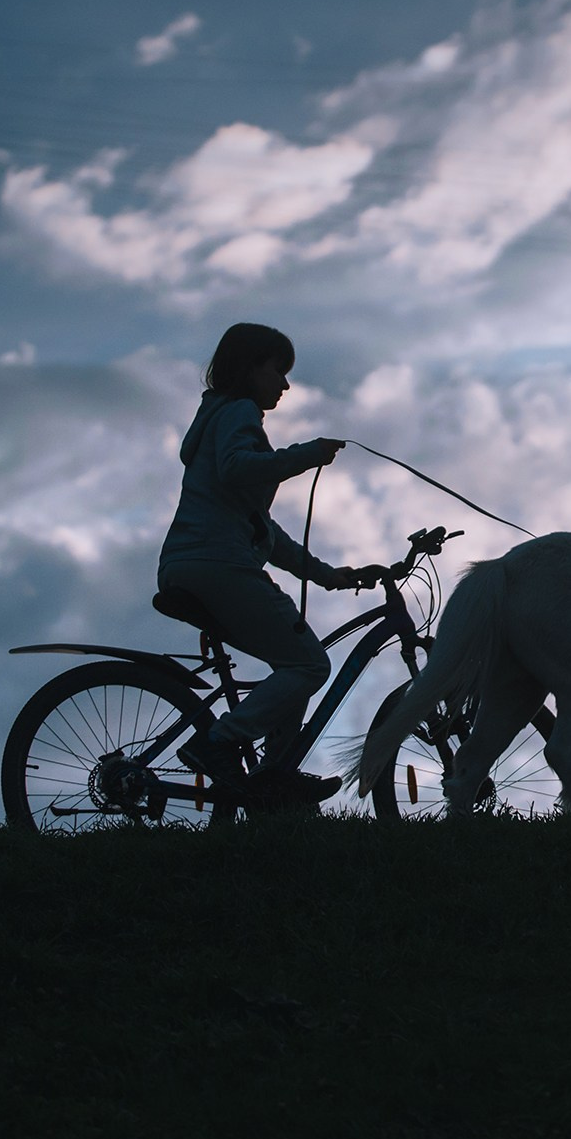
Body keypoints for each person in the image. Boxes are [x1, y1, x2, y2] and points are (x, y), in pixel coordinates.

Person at [158, 323, 385, 799]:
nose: (284, 384)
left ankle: (272, 777)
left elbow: (263, 532)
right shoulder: (238, 411)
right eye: (278, 371)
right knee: (308, 667)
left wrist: (329, 576)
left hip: (192, 562)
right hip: (218, 563)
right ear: (250, 368)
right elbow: (237, 468)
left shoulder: (218, 416)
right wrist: (306, 455)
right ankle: (221, 741)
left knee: (292, 663)